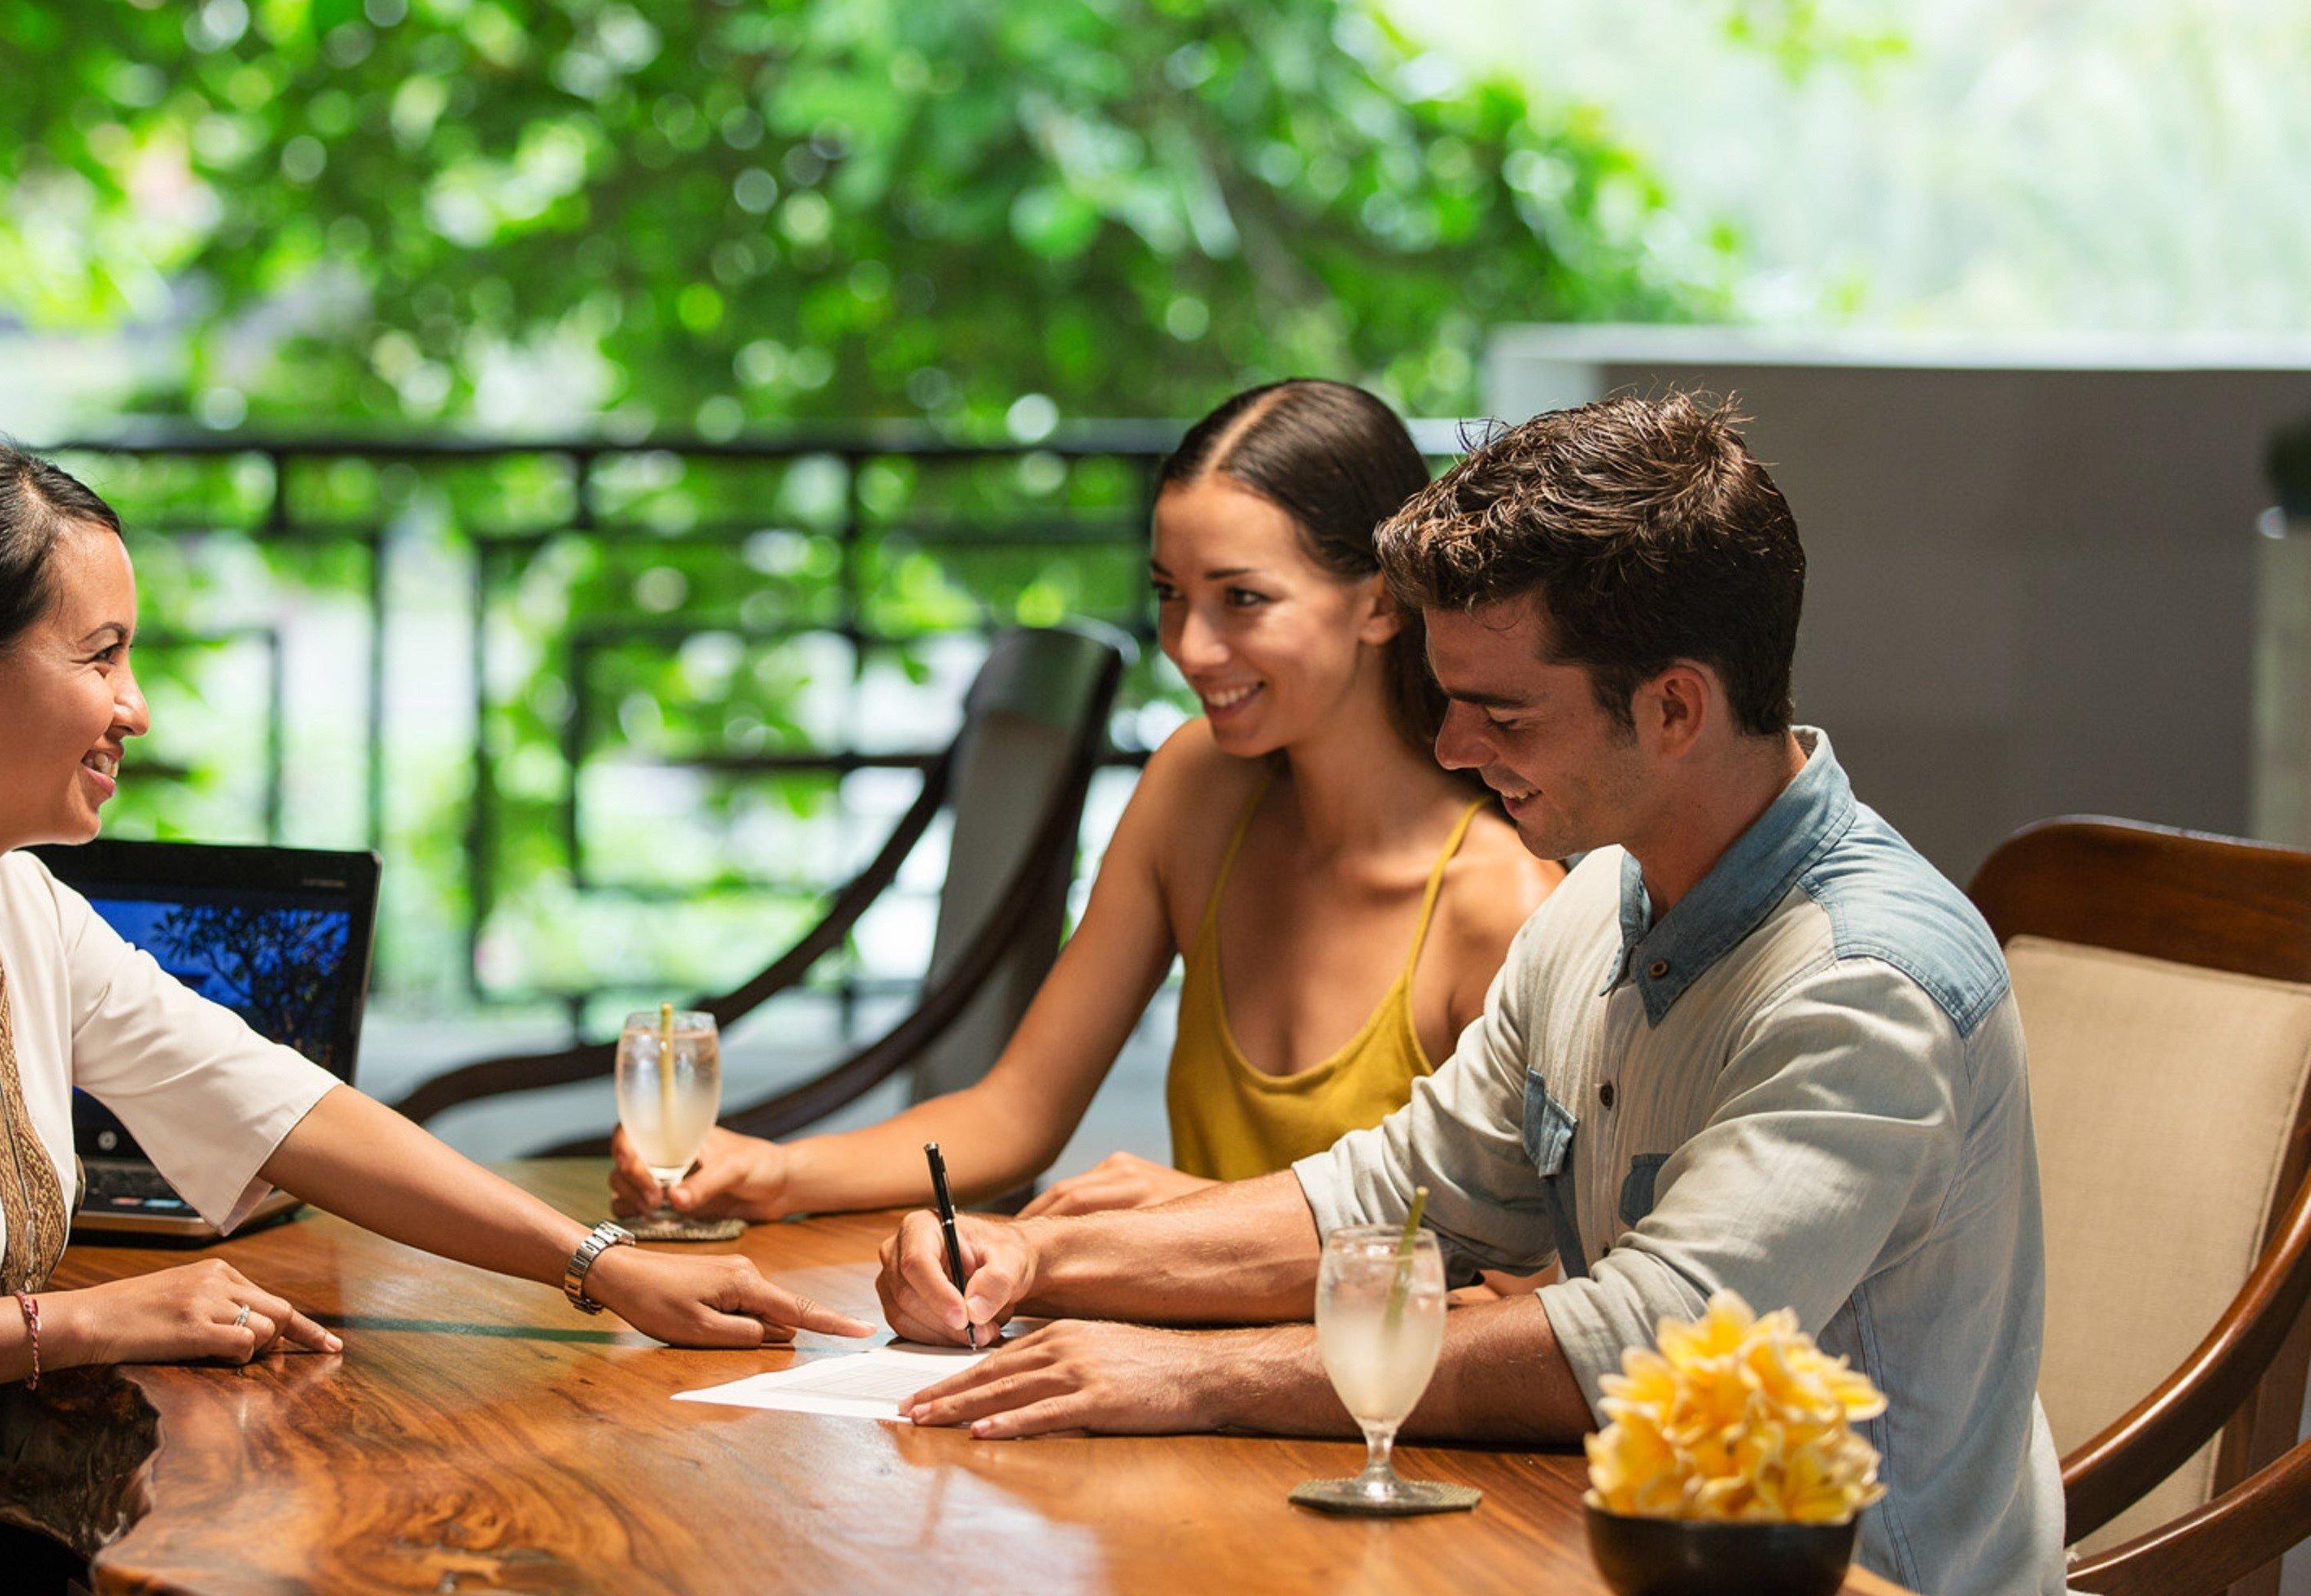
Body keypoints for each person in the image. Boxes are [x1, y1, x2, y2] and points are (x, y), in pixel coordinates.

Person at [0, 430, 867, 1596]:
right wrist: (97, 1320)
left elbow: (288, 1109)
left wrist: (604, 1265)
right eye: (102, 655)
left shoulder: (17, 914)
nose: (138, 708)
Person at [875, 392, 2063, 1596]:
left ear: (1674, 708)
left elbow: (1636, 1349)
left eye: (1501, 713)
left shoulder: (1861, 987)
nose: (1448, 748)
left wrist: (1187, 1376)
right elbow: (1393, 1201)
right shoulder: (1600, 903)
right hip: (1605, 1549)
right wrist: (1031, 1256)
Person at [609, 380, 1557, 1226]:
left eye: (1242, 599)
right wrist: (770, 1173)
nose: (1189, 647)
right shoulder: (1198, 788)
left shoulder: (1502, 907)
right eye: (1170, 595)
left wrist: (1209, 1218)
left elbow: (1523, 1295)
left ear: (1382, 604)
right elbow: (1016, 1111)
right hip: (1166, 1375)